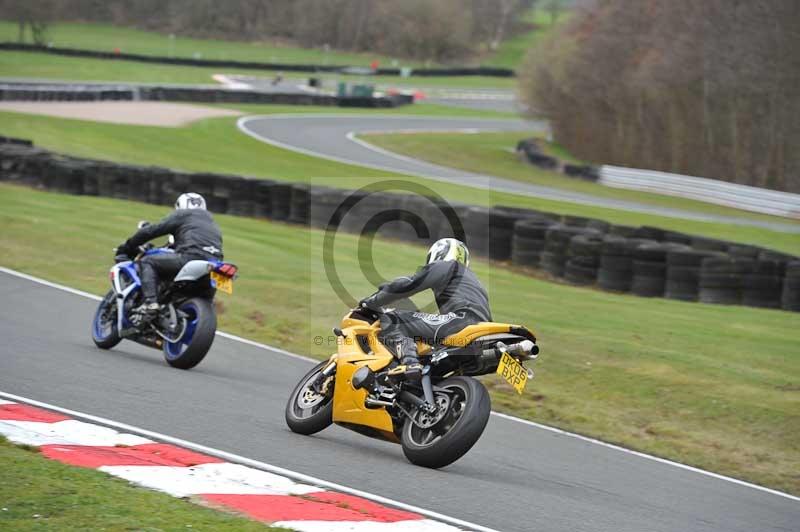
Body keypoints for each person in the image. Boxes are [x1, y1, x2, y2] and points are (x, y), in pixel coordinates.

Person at [359, 238, 491, 380]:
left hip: (461, 321)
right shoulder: (475, 282)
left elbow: (410, 284)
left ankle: (410, 363)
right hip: (482, 334)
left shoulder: (448, 266)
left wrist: (372, 301)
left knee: (393, 319)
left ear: (440, 253)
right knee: (429, 356)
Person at [116, 193, 223, 320]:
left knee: (147, 261)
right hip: (217, 265)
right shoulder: (213, 224)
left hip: (191, 257)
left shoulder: (183, 214)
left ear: (180, 205)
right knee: (205, 299)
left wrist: (127, 247)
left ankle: (151, 303)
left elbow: (150, 231)